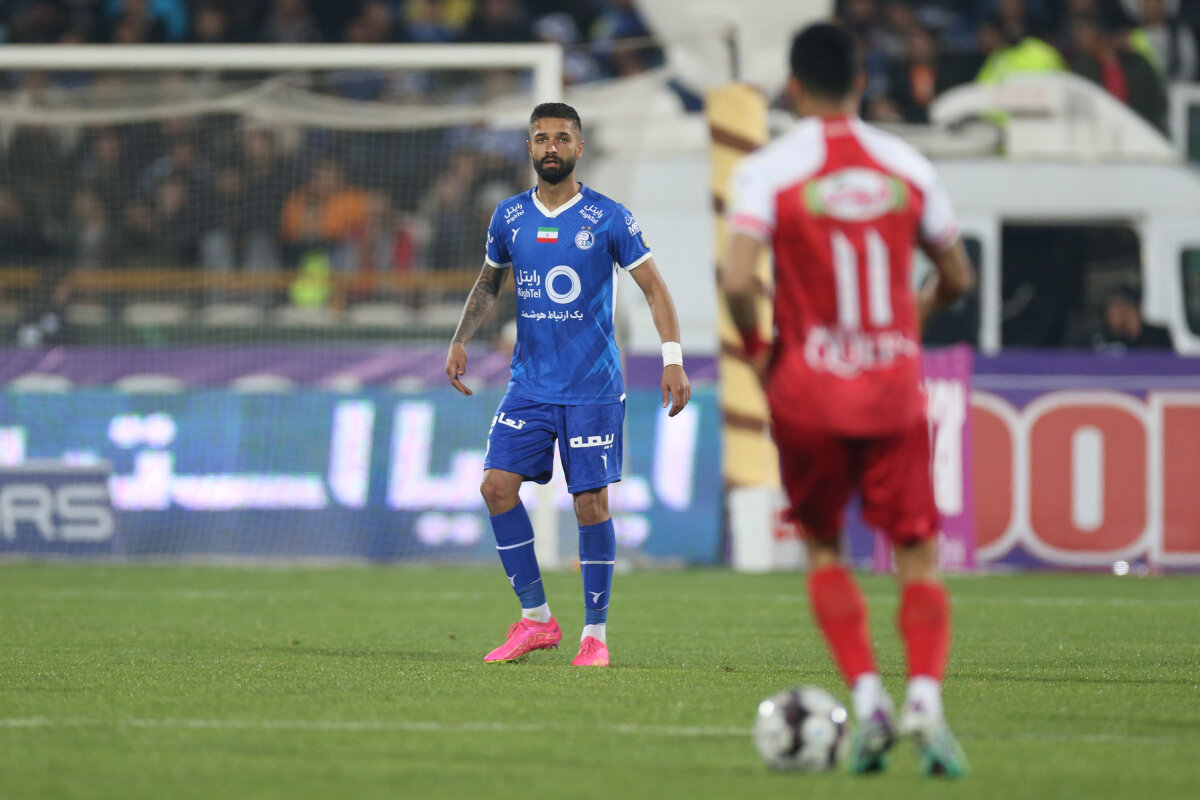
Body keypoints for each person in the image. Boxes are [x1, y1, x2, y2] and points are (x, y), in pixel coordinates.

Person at [722, 23, 975, 776]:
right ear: (862, 80)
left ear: (793, 87)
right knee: (917, 552)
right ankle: (923, 699)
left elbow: (736, 280)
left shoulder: (767, 171)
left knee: (824, 546)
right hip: (893, 388)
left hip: (807, 391)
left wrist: (762, 354)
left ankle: (869, 700)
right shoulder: (908, 165)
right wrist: (906, 326)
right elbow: (957, 276)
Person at [444, 102, 690, 668]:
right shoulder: (508, 216)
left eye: (561, 138)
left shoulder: (608, 217)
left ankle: (594, 635)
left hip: (592, 388)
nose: (550, 147)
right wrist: (460, 338)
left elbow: (654, 289)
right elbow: (489, 281)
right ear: (529, 148)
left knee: (590, 505)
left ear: (579, 148)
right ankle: (536, 620)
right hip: (529, 384)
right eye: (540, 138)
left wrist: (672, 359)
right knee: (495, 487)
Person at [1091, 284, 1173, 351]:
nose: (1119, 316)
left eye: (1125, 308)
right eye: (1113, 311)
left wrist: (1134, 330)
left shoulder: (1158, 336)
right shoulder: (1099, 338)